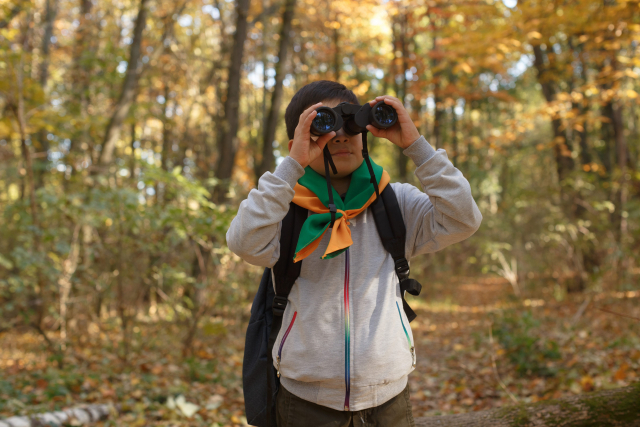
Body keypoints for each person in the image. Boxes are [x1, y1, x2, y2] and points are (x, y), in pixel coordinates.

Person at [227, 80, 482, 426]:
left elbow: (464, 218)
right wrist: (291, 166)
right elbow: (242, 241)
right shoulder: (283, 211)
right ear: (299, 142)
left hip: (388, 398)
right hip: (305, 401)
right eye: (325, 126)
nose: (342, 135)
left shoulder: (396, 203)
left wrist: (416, 146)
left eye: (351, 124)